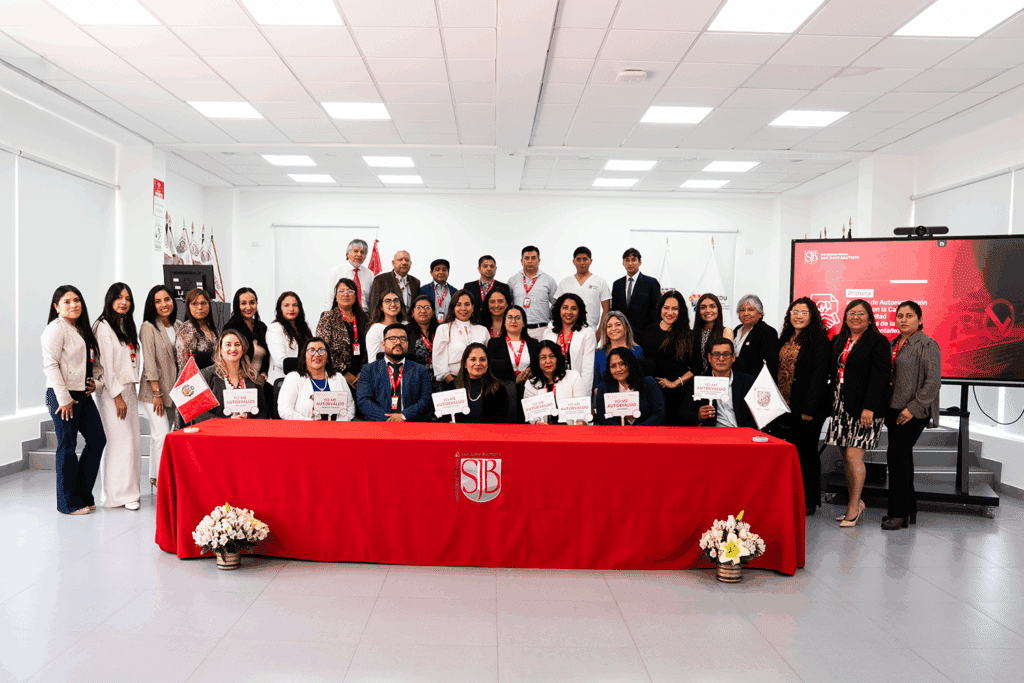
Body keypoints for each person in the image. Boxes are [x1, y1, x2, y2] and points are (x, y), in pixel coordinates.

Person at [827, 299, 891, 528]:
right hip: (840, 405)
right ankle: (857, 502)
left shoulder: (878, 342)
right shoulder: (838, 341)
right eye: (851, 313)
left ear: (870, 318)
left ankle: (853, 507)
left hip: (864, 409)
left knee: (855, 456)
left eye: (861, 313)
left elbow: (880, 377)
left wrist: (870, 407)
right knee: (845, 456)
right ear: (845, 317)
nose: (856, 317)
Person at [42, 285, 106, 515]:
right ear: (56, 307)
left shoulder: (81, 329)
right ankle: (68, 503)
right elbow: (50, 365)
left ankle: (82, 494)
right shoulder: (55, 329)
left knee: (98, 440)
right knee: (67, 447)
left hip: (82, 394)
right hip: (62, 396)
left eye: (77, 300)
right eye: (67, 301)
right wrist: (64, 399)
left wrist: (96, 384)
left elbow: (95, 363)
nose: (73, 305)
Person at [884, 301, 941, 530]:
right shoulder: (893, 343)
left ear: (919, 319)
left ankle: (898, 513)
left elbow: (933, 382)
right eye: (900, 316)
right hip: (894, 409)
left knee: (896, 457)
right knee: (902, 458)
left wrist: (913, 408)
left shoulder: (927, 344)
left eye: (909, 316)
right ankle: (909, 509)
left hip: (914, 411)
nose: (903, 320)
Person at [773, 297, 832, 516]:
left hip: (808, 410)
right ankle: (790, 497)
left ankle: (809, 501)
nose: (798, 316)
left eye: (804, 312)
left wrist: (809, 408)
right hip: (785, 406)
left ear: (812, 316)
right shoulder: (785, 337)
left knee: (806, 454)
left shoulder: (819, 341)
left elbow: (819, 377)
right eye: (794, 311)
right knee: (790, 454)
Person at [91, 283, 142, 511]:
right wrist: (117, 396)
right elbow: (106, 367)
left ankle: (130, 490)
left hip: (129, 389)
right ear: (109, 300)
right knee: (120, 442)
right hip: (113, 393)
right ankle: (117, 496)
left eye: (128, 298)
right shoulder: (102, 327)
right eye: (119, 298)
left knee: (132, 442)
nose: (124, 302)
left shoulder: (125, 325)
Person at [139, 285, 178, 493]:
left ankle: (155, 477)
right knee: (161, 435)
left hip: (174, 392)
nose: (164, 304)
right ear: (152, 305)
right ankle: (164, 482)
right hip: (155, 392)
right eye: (158, 301)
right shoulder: (148, 327)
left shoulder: (179, 326)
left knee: (160, 436)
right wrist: (157, 393)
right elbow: (150, 362)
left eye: (167, 299)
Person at [356, 323, 433, 422]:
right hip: (379, 425)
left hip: (410, 424)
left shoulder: (420, 370)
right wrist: (388, 420)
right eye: (392, 338)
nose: (398, 342)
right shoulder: (369, 370)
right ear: (383, 344)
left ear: (408, 343)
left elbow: (426, 400)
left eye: (403, 339)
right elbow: (363, 401)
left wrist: (403, 416)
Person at [640, 290, 695, 425]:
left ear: (680, 311)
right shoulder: (649, 330)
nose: (670, 313)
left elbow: (696, 367)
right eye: (666, 308)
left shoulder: (688, 335)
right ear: (660, 308)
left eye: (675, 309)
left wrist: (675, 383)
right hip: (650, 394)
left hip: (676, 395)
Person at [194, 330, 268, 423]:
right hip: (218, 433)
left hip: (248, 432)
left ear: (243, 349)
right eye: (228, 345)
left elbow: (262, 410)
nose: (233, 349)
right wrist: (227, 422)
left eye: (237, 344)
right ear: (220, 350)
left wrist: (252, 424)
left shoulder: (252, 376)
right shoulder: (206, 376)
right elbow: (198, 413)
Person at [682, 338, 757, 429]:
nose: (721, 359)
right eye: (716, 354)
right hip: (711, 434)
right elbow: (684, 414)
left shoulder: (748, 381)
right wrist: (698, 416)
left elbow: (758, 415)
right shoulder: (699, 381)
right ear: (709, 358)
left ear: (733, 357)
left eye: (726, 354)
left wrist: (746, 433)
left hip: (741, 434)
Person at [278, 338, 355, 421]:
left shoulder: (339, 378)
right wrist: (311, 424)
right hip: (304, 431)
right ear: (304, 356)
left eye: (321, 350)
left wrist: (338, 424)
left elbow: (350, 407)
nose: (317, 354)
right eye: (311, 350)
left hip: (337, 431)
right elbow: (284, 410)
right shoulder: (293, 378)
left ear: (327, 357)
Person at [432, 289, 489, 387]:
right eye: (458, 304)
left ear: (473, 307)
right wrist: (454, 383)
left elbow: (487, 359)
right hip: (452, 382)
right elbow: (439, 363)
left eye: (467, 304)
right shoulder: (444, 329)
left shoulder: (482, 330)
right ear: (453, 307)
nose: (463, 308)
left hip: (480, 382)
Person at [523, 340, 589, 424]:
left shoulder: (573, 377)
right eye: (543, 357)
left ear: (558, 358)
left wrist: (581, 421)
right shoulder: (531, 384)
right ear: (537, 361)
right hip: (543, 432)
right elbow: (531, 415)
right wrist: (536, 422)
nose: (548, 361)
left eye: (552, 356)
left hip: (571, 431)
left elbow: (582, 409)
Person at [595, 347, 664, 426]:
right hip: (617, 435)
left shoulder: (649, 383)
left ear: (630, 364)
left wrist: (635, 430)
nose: (618, 369)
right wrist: (621, 431)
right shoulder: (604, 387)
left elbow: (659, 414)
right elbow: (602, 417)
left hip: (647, 434)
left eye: (622, 364)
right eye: (613, 366)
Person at [543, 292, 596, 391]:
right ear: (559, 310)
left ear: (579, 312)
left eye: (574, 308)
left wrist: (584, 397)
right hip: (552, 386)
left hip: (576, 386)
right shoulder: (548, 332)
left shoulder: (587, 333)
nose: (569, 312)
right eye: (565, 307)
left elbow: (587, 370)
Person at [222, 287, 270, 390]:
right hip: (238, 384)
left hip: (260, 383)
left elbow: (268, 355)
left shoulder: (262, 327)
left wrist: (263, 374)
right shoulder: (230, 328)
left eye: (252, 303)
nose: (248, 307)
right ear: (237, 305)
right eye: (243, 303)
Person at [555, 246, 611, 334]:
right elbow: (556, 307)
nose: (582, 263)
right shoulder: (565, 282)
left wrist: (600, 333)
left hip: (591, 330)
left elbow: (607, 309)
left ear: (590, 261)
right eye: (578, 259)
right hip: (567, 331)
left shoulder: (600, 282)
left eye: (585, 259)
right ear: (574, 261)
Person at [507, 245, 558, 339]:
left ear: (539, 261)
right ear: (521, 261)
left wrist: (548, 318)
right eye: (526, 258)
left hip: (541, 329)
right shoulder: (513, 280)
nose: (530, 261)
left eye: (533, 258)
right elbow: (508, 304)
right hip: (518, 329)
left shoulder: (549, 280)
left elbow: (557, 304)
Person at [453, 343, 510, 423]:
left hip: (487, 433)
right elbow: (443, 417)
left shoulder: (498, 388)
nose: (478, 363)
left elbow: (500, 419)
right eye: (473, 359)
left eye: (482, 359)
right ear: (465, 364)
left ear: (487, 364)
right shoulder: (453, 386)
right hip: (458, 433)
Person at [315, 278, 358, 384]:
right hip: (336, 376)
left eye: (350, 291)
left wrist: (362, 372)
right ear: (336, 297)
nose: (346, 294)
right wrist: (344, 372)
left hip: (361, 377)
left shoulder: (364, 319)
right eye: (341, 291)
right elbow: (323, 348)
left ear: (356, 296)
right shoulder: (328, 317)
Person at [611, 248, 661, 336]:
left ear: (640, 262)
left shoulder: (651, 283)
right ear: (623, 263)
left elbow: (657, 310)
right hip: (622, 334)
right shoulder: (617, 284)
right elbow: (615, 310)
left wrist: (652, 332)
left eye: (633, 260)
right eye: (627, 260)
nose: (630, 263)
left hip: (644, 334)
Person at [266, 291, 312, 384]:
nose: (291, 309)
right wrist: (309, 363)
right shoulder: (275, 328)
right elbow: (280, 361)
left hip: (303, 380)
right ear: (280, 309)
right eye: (286, 305)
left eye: (295, 305)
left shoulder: (304, 328)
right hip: (281, 382)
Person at [593, 311, 644, 391]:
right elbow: (596, 385)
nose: (614, 329)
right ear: (605, 330)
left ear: (626, 327)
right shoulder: (599, 354)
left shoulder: (637, 351)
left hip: (633, 397)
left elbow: (641, 379)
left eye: (618, 324)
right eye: (609, 326)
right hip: (608, 398)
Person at [732, 294, 780, 379]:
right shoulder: (736, 330)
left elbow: (771, 365)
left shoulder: (767, 332)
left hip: (755, 383)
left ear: (760, 313)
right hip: (736, 381)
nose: (746, 313)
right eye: (742, 310)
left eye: (750, 309)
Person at [175, 288, 218, 372]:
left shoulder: (210, 327)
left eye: (203, 303)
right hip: (195, 380)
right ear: (188, 306)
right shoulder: (187, 329)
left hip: (212, 379)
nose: (199, 307)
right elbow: (186, 363)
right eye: (195, 303)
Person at [324, 238, 374, 310]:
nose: (359, 254)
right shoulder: (336, 271)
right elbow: (330, 297)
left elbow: (370, 300)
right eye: (356, 251)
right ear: (348, 254)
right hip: (341, 314)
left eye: (362, 252)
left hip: (364, 315)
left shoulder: (370, 274)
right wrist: (328, 315)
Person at [693, 293, 734, 375]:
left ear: (718, 309)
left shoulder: (726, 332)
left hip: (717, 380)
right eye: (703, 307)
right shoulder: (693, 333)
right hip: (696, 379)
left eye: (712, 306)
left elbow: (726, 360)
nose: (708, 310)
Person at [366, 291, 407, 360]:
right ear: (381, 307)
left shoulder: (406, 325)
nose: (393, 304)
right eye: (388, 301)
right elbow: (373, 360)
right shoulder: (376, 329)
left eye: (396, 300)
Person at [407, 295, 439, 380]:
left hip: (439, 378)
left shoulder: (441, 330)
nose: (423, 310)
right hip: (415, 379)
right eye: (418, 307)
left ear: (433, 312)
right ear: (412, 312)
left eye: (427, 307)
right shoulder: (405, 331)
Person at [418, 258, 457, 322]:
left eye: (444, 270)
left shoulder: (454, 291)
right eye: (437, 270)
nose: (441, 272)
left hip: (449, 326)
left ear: (448, 272)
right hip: (429, 326)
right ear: (431, 273)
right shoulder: (423, 290)